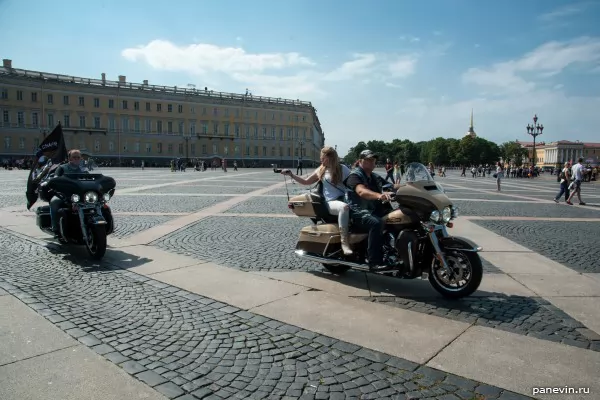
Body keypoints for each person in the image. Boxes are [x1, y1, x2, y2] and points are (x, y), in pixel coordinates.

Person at [282, 146, 354, 255]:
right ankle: (344, 243)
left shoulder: (342, 168)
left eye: (322, 157)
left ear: (329, 158)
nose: (321, 159)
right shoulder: (321, 169)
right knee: (343, 208)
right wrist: (291, 174)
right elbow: (306, 182)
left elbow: (354, 181)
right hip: (330, 202)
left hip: (346, 199)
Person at [343, 150, 395, 270]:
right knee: (376, 223)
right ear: (361, 161)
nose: (373, 162)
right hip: (357, 211)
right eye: (369, 160)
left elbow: (391, 185)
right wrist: (379, 195)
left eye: (374, 160)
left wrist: (410, 186)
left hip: (373, 209)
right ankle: (374, 261)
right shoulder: (354, 176)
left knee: (396, 217)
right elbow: (361, 191)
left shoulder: (374, 176)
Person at [50, 149, 88, 235]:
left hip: (80, 194)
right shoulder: (62, 168)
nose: (76, 159)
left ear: (81, 158)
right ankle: (55, 227)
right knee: (54, 202)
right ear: (69, 158)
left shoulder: (84, 169)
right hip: (64, 194)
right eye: (74, 157)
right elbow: (56, 179)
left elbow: (91, 178)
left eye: (78, 157)